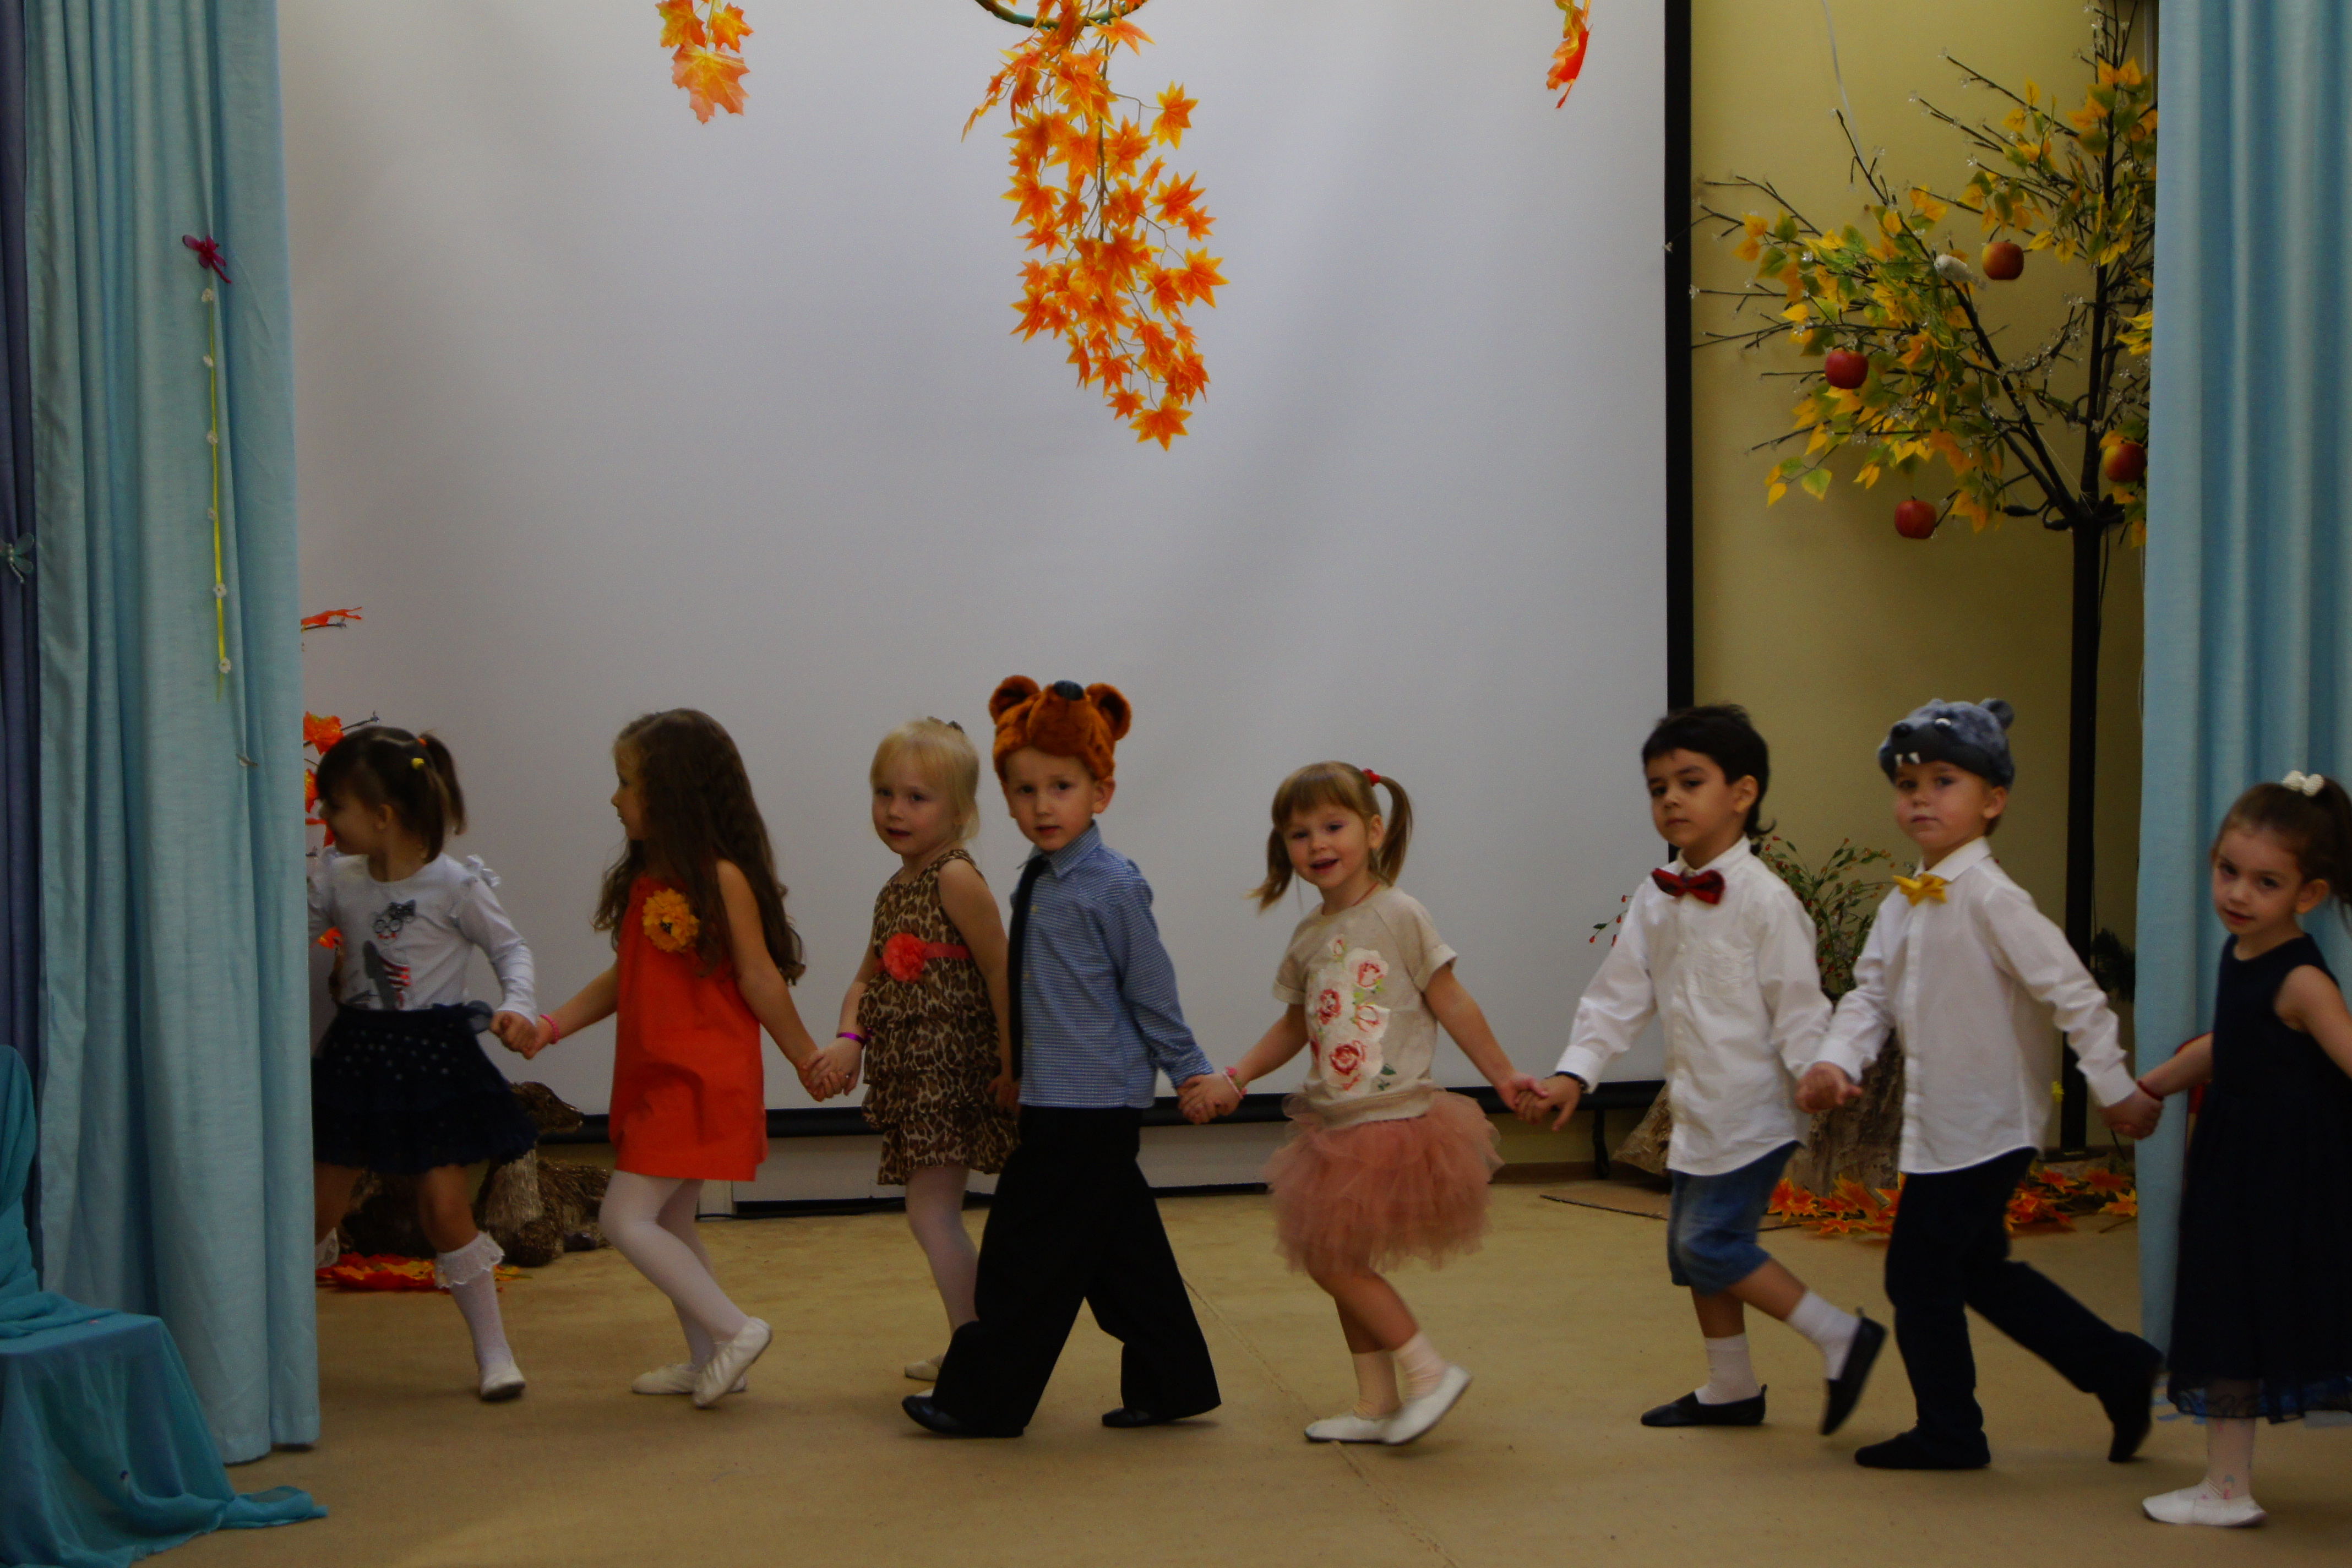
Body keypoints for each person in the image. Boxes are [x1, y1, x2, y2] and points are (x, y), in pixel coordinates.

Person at [1799, 698, 2164, 1469]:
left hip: (1986, 1123)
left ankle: (1951, 1432)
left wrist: (2114, 1087)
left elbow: (2074, 995)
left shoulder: (1995, 899)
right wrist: (1836, 1061)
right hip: (1940, 1127)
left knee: (1917, 1273)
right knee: (1977, 1270)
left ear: (1993, 800)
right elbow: (1869, 997)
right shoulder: (1904, 903)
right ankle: (2118, 1366)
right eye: (1908, 785)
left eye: (1944, 782)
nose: (1921, 798)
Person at [1520, 705, 1886, 1435]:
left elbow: (1798, 1002)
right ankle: (1731, 1386)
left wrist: (1819, 1067)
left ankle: (1842, 1336)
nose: (1671, 800)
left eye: (1691, 782)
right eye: (1658, 788)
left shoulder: (1766, 901)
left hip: (1752, 1112)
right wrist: (1575, 1073)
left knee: (1711, 1244)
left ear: (1742, 793)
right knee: (1692, 1256)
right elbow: (1618, 995)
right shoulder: (1658, 896)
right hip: (1696, 1110)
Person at [903, 678, 1224, 1438]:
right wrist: (1018, 1072)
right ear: (1006, 801)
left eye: (1062, 787)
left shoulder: (1111, 886)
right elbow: (1038, 994)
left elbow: (1151, 989)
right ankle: (1174, 1381)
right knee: (1122, 1252)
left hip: (1091, 1104)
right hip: (1057, 1095)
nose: (1043, 806)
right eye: (1026, 790)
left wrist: (1192, 1069)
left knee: (1024, 1250)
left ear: (1100, 793)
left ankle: (982, 1401)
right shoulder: (1041, 878)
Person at [1190, 762, 1539, 1445]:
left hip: (1392, 1122)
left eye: (1333, 826)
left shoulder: (1399, 913)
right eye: (1299, 834)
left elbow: (1450, 999)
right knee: (1339, 1258)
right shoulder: (1308, 935)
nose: (1317, 844)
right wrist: (1235, 1076)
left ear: (1373, 831)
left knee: (1333, 1262)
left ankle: (1429, 1372)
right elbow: (1295, 1026)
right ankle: (1376, 1402)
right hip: (1335, 1124)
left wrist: (1503, 1075)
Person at [528, 710, 832, 1408]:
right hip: (655, 1073)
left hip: (697, 1079)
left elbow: (759, 977)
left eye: (626, 782)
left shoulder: (721, 879)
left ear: (674, 794)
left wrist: (805, 1056)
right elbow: (626, 977)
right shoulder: (649, 880)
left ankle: (736, 1329)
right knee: (668, 1222)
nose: (614, 798)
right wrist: (551, 1025)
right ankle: (711, 1358)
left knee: (623, 1218)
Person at [2131, 771, 2352, 1527]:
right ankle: (2226, 1487)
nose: (2237, 894)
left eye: (2266, 882)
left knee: (2269, 1308)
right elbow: (2232, 1043)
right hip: (2236, 1157)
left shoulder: (2303, 979)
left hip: (2285, 1172)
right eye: (2228, 871)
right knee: (2223, 1313)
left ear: (2309, 894)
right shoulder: (2243, 951)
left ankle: (2227, 1488)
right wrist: (2154, 1086)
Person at [308, 725, 542, 1402]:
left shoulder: (455, 884)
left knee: (444, 1209)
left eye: (335, 806)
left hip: (434, 1062)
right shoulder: (338, 879)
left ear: (382, 815)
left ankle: (494, 1350)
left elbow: (511, 950)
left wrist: (519, 1005)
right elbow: (283, 927)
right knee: (316, 1209)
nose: (324, 818)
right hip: (358, 1056)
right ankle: (276, 1344)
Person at [817, 718, 1020, 1382]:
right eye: (884, 793)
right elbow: (865, 980)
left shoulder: (954, 877)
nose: (894, 811)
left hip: (951, 1070)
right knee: (931, 1212)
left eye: (916, 797)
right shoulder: (896, 888)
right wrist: (849, 1040)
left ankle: (978, 1350)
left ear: (959, 812)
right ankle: (975, 1342)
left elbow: (1001, 971)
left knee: (930, 1212)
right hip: (913, 1072)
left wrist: (1012, 1063)